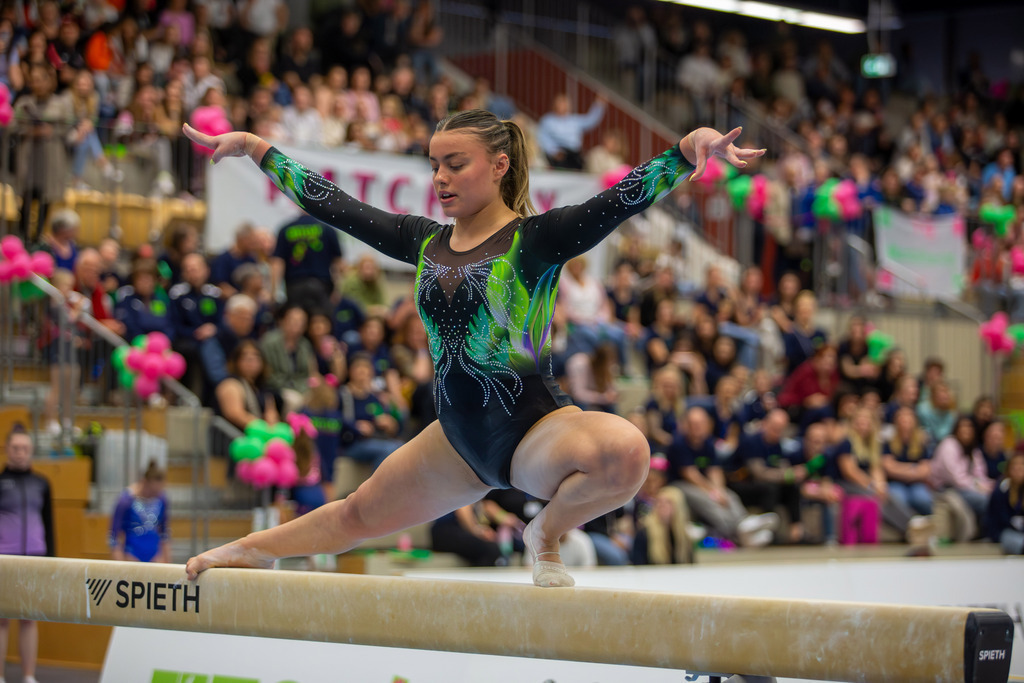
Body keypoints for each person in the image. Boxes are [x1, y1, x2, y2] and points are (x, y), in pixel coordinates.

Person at [181, 112, 763, 587]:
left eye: (455, 164)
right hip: (457, 440)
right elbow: (332, 204)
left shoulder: (538, 239)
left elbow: (621, 200)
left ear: (499, 164)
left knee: (627, 452)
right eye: (434, 164)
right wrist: (258, 148)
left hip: (534, 433)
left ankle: (545, 533)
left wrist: (687, 150)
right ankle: (253, 551)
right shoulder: (423, 241)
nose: (440, 177)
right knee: (355, 514)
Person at [0, 424, 54, 683]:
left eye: (24, 448)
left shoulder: (41, 483)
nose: (20, 452)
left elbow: (49, 524)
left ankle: (28, 676)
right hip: (4, 559)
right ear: (7, 449)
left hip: (35, 558)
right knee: (1, 620)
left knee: (29, 619)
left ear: (31, 450)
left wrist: (53, 563)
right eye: (15, 448)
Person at [109, 460, 170, 563]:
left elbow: (164, 534)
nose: (154, 496)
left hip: (155, 557)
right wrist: (120, 565)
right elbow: (113, 537)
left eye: (158, 492)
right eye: (152, 492)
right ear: (144, 482)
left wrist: (166, 562)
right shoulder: (126, 500)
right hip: (131, 557)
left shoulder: (161, 499)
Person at [986, 452, 1024, 555]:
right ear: (1009, 470)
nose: (1018, 471)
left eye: (1021, 467)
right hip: (1005, 532)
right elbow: (995, 519)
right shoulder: (1001, 490)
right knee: (1016, 541)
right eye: (1015, 467)